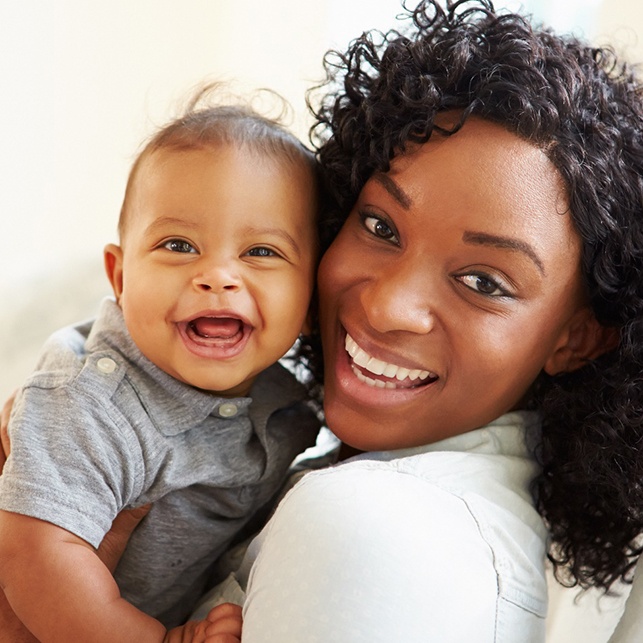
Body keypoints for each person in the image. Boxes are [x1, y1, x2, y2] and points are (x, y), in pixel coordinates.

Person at [2, 0, 643, 641]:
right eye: (379, 225)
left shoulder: (364, 525)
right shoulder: (260, 414)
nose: (388, 306)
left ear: (578, 337)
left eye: (483, 282)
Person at [0, 93, 324, 642]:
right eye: (179, 245)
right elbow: (35, 556)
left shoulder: (286, 406)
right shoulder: (90, 403)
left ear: (313, 301)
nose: (218, 275)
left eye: (261, 252)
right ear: (120, 277)